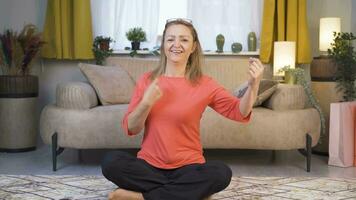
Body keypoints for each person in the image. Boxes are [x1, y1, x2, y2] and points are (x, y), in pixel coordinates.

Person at [101, 18, 264, 200]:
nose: (176, 45)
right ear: (163, 44)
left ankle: (140, 197)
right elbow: (132, 128)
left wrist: (254, 86)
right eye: (170, 39)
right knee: (111, 162)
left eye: (184, 40)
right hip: (149, 167)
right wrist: (146, 103)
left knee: (221, 173)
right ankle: (190, 194)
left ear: (193, 47)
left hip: (189, 167)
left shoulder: (205, 84)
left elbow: (239, 112)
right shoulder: (148, 80)